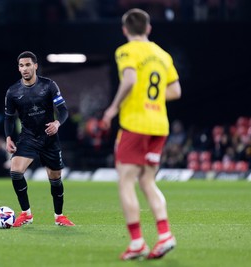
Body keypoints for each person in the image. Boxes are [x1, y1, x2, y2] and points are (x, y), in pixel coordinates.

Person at [102, 8, 182, 260]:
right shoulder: (162, 55)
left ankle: (137, 241)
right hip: (159, 125)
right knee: (147, 181)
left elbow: (129, 80)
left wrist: (112, 109)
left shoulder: (126, 51)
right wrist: (154, 97)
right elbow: (176, 91)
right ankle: (165, 233)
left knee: (126, 182)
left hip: (135, 124)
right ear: (148, 28)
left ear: (125, 30)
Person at [4, 51, 74, 227]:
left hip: (49, 138)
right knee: (15, 171)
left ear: (35, 66)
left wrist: (57, 123)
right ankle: (26, 214)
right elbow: (9, 117)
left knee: (55, 178)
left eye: (28, 65)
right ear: (18, 68)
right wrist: (8, 137)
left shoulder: (49, 85)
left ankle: (59, 216)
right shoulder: (13, 92)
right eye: (21, 65)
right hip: (28, 137)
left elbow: (63, 110)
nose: (25, 68)